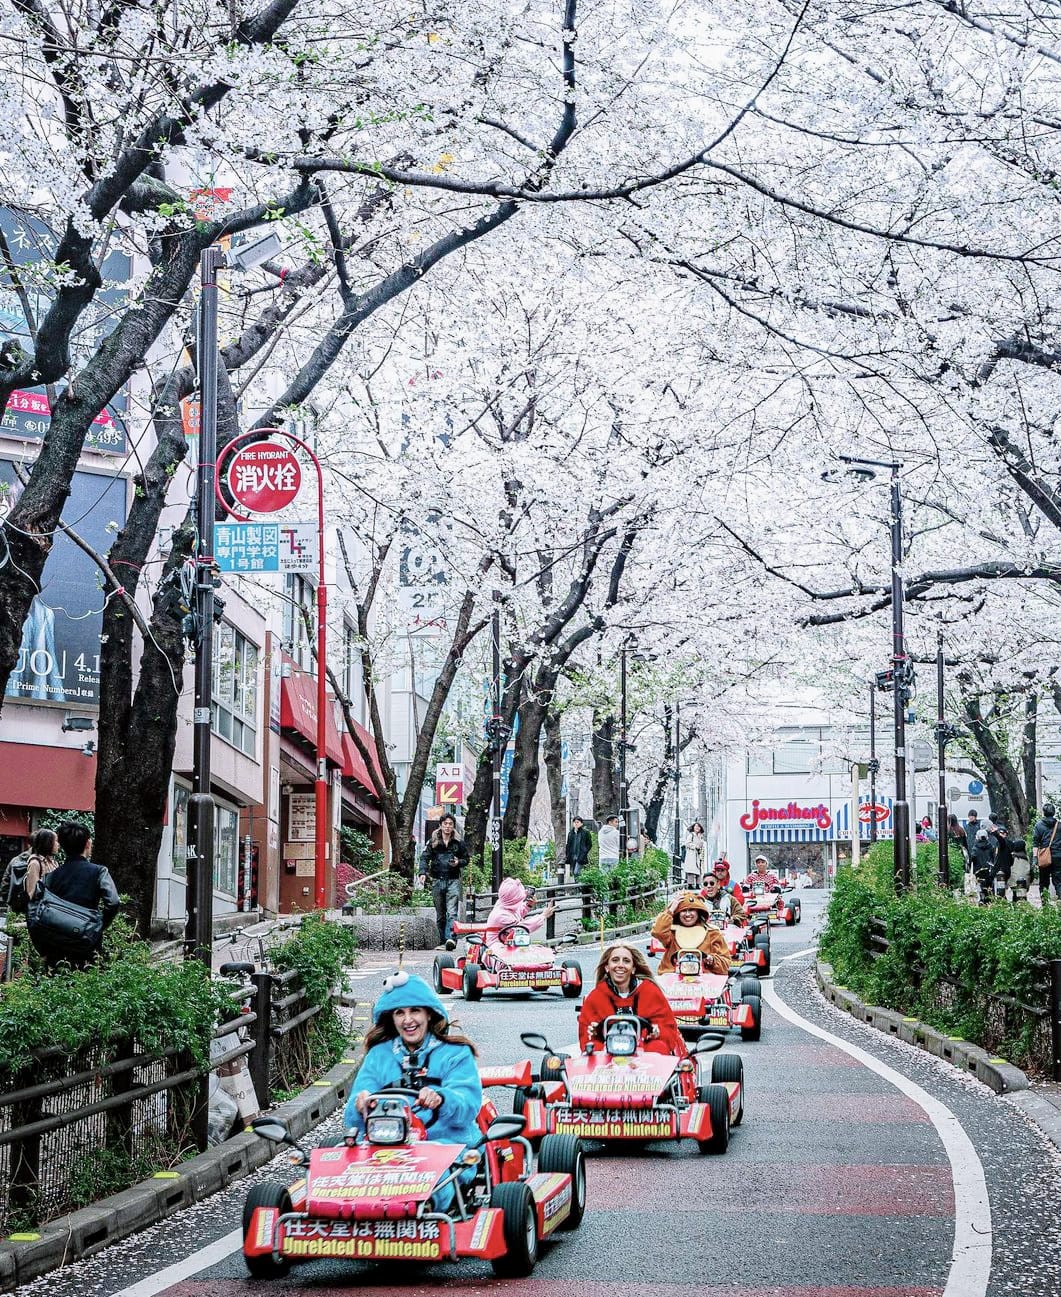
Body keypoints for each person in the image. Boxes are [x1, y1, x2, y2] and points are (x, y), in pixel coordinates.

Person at [343, 972, 482, 1205]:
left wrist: (441, 1098)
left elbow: (467, 1102)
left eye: (414, 1010)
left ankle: (424, 1210)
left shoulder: (456, 1053)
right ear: (392, 1018)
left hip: (444, 1143)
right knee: (344, 1162)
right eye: (400, 1012)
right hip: (384, 1146)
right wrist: (360, 1102)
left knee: (433, 1176)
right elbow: (359, 1101)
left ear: (429, 1013)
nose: (408, 1020)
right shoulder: (379, 1054)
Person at [26, 821, 120, 969]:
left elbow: (34, 908)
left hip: (54, 944)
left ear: (62, 846)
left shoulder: (50, 877)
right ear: (88, 843)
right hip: (85, 943)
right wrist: (99, 926)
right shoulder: (99, 872)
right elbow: (113, 902)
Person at [578, 943, 684, 1056]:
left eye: (626, 961)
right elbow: (585, 1037)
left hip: (644, 1052)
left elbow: (669, 1030)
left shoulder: (650, 992)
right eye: (615, 960)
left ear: (633, 968)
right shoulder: (596, 997)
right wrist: (594, 1032)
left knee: (658, 1047)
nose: (620, 965)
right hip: (608, 1049)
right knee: (593, 1050)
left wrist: (656, 1032)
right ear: (607, 967)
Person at [650, 892, 731, 974]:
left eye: (691, 910)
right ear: (678, 913)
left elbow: (725, 962)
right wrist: (670, 910)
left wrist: (712, 960)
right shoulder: (672, 932)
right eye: (683, 911)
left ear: (698, 912)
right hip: (673, 976)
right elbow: (657, 931)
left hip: (705, 979)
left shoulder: (712, 932)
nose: (687, 914)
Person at [420, 814, 468, 951]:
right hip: (437, 880)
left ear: (453, 826)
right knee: (440, 914)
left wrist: (459, 862)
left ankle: (451, 939)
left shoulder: (459, 842)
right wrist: (422, 872)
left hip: (453, 880)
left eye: (450, 824)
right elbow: (424, 858)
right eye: (445, 824)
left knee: (452, 912)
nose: (448, 826)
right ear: (441, 825)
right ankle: (442, 941)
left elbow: (466, 859)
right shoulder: (433, 841)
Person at [3, 829, 58, 914]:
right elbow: (32, 894)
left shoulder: (16, 860)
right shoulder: (35, 862)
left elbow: (5, 881)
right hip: (36, 911)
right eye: (55, 841)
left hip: (18, 906)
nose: (58, 844)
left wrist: (9, 900)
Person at [485, 877, 555, 941]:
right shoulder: (501, 915)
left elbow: (516, 913)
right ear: (514, 899)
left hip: (505, 944)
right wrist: (543, 916)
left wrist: (528, 905)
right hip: (497, 947)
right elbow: (521, 928)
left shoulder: (503, 904)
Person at [1033, 804, 1061, 904]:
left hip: (1044, 857)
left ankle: (1045, 904)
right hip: (1058, 856)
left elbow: (1035, 842)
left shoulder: (1039, 825)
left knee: (1044, 882)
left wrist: (1035, 858)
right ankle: (1059, 903)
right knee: (1058, 881)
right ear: (1054, 812)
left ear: (1044, 812)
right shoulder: (1059, 825)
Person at [969, 828, 996, 903]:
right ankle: (989, 898)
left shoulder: (975, 848)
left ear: (977, 837)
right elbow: (993, 858)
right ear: (987, 837)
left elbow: (972, 858)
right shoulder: (990, 846)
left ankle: (981, 898)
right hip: (988, 870)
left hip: (978, 870)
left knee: (979, 884)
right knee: (989, 885)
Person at [683, 821, 707, 887]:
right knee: (691, 870)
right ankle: (690, 884)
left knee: (698, 869)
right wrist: (695, 846)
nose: (697, 828)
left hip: (699, 855)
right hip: (692, 854)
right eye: (696, 826)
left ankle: (698, 884)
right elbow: (687, 843)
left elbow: (702, 845)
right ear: (693, 828)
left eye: (698, 826)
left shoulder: (701, 836)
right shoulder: (691, 835)